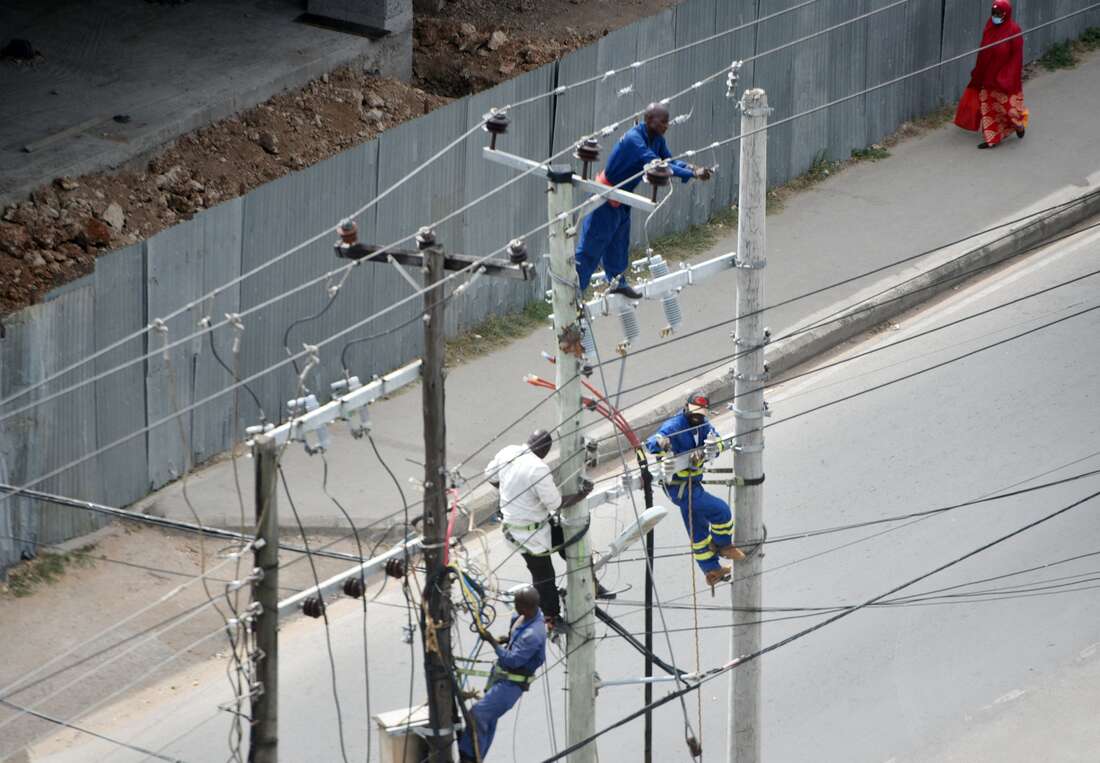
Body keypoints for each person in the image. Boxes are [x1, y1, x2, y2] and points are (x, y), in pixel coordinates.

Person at [574, 103, 713, 299]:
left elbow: (669, 160)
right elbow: (656, 164)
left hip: (622, 198)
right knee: (592, 245)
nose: (667, 126)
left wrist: (692, 168)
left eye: (667, 122)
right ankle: (574, 292)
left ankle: (617, 282)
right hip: (605, 197)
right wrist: (692, 174)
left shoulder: (656, 139)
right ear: (649, 120)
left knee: (618, 243)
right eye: (662, 122)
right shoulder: (634, 139)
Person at [485, 430, 611, 629]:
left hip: (526, 526)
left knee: (574, 541)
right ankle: (551, 617)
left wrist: (508, 489)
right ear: (545, 450)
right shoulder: (537, 468)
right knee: (544, 575)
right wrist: (582, 494)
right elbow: (555, 502)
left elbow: (489, 474)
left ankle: (591, 584)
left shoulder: (508, 452)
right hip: (527, 535)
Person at [646, 391, 745, 586]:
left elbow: (716, 441)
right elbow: (652, 443)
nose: (696, 417)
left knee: (699, 533)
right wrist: (661, 443)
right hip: (679, 488)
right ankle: (722, 544)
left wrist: (710, 449)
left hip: (693, 483)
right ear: (686, 408)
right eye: (694, 413)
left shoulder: (703, 426)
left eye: (700, 413)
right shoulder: (674, 426)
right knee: (720, 511)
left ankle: (711, 570)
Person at [457, 585, 546, 762]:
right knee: (488, 720)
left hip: (511, 685)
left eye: (518, 604)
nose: (515, 607)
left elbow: (511, 660)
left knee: (477, 715)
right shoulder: (524, 617)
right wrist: (508, 639)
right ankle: (477, 755)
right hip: (501, 678)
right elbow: (515, 637)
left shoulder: (533, 634)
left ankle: (469, 757)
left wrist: (492, 642)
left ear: (527, 608)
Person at [966, 0, 1028, 149]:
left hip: (1006, 79)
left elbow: (1016, 57)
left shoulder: (1014, 30)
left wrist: (1007, 77)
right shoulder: (990, 27)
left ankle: (1019, 126)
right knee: (988, 107)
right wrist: (979, 72)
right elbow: (983, 51)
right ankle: (992, 139)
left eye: (999, 14)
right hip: (989, 76)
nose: (996, 16)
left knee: (1008, 110)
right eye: (993, 13)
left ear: (1006, 14)